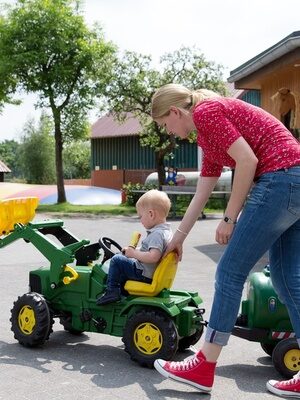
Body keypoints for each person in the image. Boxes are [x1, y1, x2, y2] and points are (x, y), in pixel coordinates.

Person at [151, 83, 300, 397]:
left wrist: (230, 218)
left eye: (166, 124)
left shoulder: (206, 113)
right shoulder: (207, 133)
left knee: (230, 272)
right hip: (294, 180)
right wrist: (178, 238)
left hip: (280, 179)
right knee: (287, 281)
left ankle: (204, 365)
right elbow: (202, 191)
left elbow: (247, 162)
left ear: (176, 111)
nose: (170, 132)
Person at [97, 189, 172, 305]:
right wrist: (133, 251)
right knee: (121, 259)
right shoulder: (166, 232)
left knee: (117, 260)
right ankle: (123, 292)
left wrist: (133, 254)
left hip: (143, 274)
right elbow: (151, 252)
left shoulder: (157, 234)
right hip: (149, 271)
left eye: (141, 216)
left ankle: (112, 291)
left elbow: (153, 257)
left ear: (151, 214)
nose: (140, 220)